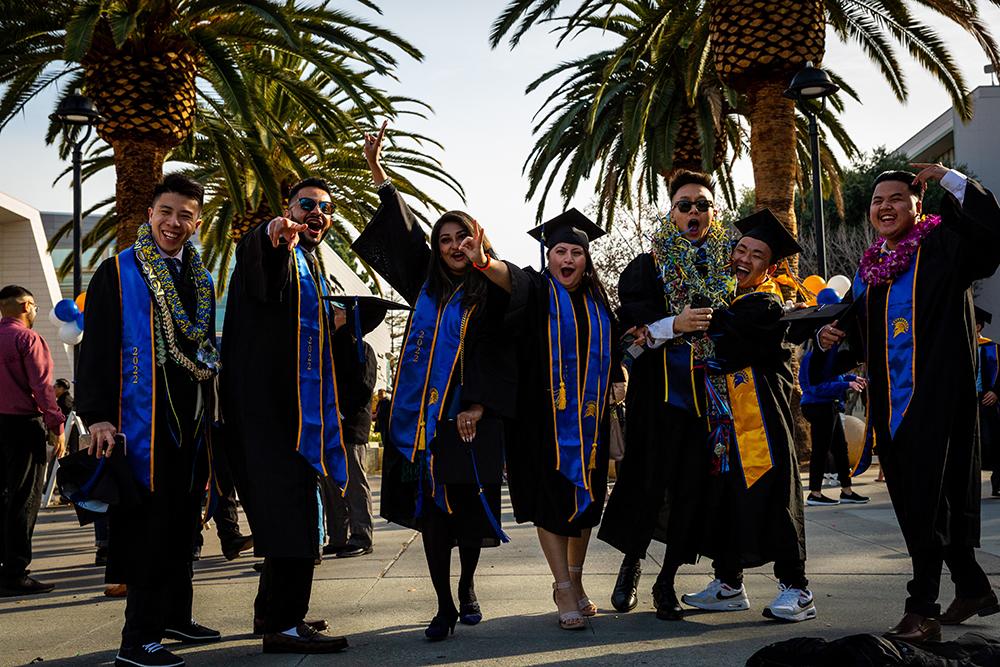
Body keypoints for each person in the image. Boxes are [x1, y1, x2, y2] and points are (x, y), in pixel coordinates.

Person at [819, 164, 1000, 643]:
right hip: (891, 404)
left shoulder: (943, 246)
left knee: (926, 499)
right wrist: (827, 335)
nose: (884, 207)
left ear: (917, 205)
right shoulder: (871, 269)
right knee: (921, 500)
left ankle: (922, 609)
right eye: (877, 201)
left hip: (938, 397)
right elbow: (856, 331)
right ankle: (974, 587)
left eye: (896, 198)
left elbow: (990, 239)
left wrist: (949, 178)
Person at [353, 122, 516, 640]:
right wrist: (380, 172)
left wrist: (478, 405)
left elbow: (499, 353)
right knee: (433, 517)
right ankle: (444, 604)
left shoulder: (492, 290)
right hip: (421, 424)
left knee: (470, 514)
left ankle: (467, 584)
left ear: (477, 240)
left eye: (460, 238)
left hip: (470, 420)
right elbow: (400, 232)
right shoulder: (425, 286)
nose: (451, 246)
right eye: (443, 240)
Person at [76, 174, 222, 667]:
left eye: (185, 215)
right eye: (166, 212)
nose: (174, 223)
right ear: (150, 213)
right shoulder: (118, 273)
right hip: (140, 425)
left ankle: (175, 616)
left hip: (192, 422)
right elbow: (95, 348)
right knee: (148, 529)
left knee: (184, 523)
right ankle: (138, 639)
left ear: (197, 223)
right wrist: (96, 417)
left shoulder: (200, 279)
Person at [461, 209, 622, 630]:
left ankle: (577, 580)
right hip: (540, 422)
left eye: (576, 252)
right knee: (552, 503)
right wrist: (482, 260)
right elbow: (506, 276)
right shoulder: (535, 289)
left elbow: (617, 349)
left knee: (586, 505)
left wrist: (620, 378)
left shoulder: (599, 302)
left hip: (589, 424)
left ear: (587, 260)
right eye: (559, 251)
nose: (567, 259)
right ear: (548, 257)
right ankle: (562, 586)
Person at [221, 176, 350, 654]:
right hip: (269, 412)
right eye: (307, 204)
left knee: (284, 514)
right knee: (291, 513)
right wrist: (273, 233)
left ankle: (272, 612)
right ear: (287, 208)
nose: (317, 212)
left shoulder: (311, 263)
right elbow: (262, 257)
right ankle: (285, 626)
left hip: (290, 411)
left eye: (326, 207)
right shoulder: (280, 248)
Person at [598, 170, 731, 620]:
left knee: (693, 491)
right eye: (684, 205)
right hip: (660, 396)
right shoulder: (648, 265)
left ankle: (667, 582)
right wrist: (674, 325)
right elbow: (630, 328)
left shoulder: (728, 266)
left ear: (713, 213)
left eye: (702, 205)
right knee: (648, 482)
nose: (694, 211)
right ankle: (631, 565)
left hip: (711, 403)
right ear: (670, 212)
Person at [681, 210, 815, 622]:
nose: (744, 258)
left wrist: (690, 312)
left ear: (770, 267)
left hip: (761, 421)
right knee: (724, 498)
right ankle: (728, 584)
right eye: (740, 249)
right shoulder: (730, 297)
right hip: (723, 421)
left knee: (775, 499)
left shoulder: (768, 304)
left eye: (756, 254)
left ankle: (798, 589)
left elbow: (725, 340)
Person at [320, 296, 403, 558]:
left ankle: (361, 535)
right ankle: (338, 535)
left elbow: (363, 389)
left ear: (350, 318)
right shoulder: (330, 345)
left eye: (337, 312)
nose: (332, 315)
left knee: (354, 482)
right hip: (329, 426)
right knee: (330, 484)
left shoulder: (361, 349)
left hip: (349, 426)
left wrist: (341, 414)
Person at [0, 285, 65, 597]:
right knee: (24, 498)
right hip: (22, 425)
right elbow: (42, 388)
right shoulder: (27, 339)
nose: (37, 312)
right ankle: (15, 573)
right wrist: (57, 425)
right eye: (36, 307)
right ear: (26, 306)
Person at [799, 335, 869, 506]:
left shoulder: (825, 357)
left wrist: (852, 379)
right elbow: (817, 388)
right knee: (820, 450)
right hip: (818, 406)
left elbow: (832, 378)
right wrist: (846, 385)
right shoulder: (811, 358)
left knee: (840, 449)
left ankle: (847, 491)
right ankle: (815, 494)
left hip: (828, 406)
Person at [975, 307, 1000, 497]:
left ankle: (997, 483)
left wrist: (996, 392)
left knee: (992, 441)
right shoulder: (958, 348)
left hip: (986, 400)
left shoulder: (992, 347)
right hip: (966, 401)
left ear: (977, 326)